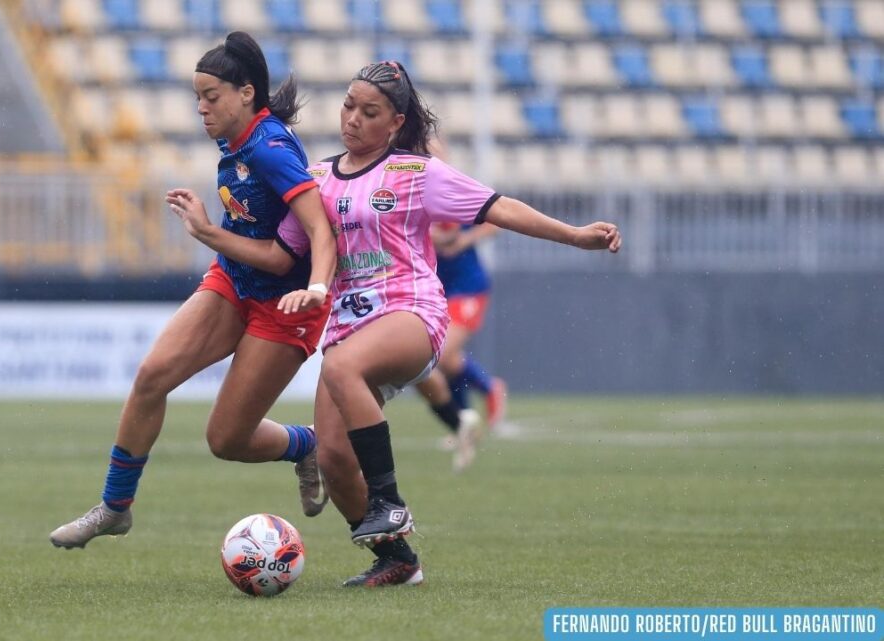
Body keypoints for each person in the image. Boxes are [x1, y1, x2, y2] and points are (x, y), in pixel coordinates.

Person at [202, 60, 621, 587]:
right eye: (348, 106)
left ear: (396, 123)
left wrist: (575, 235)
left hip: (411, 313)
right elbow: (280, 253)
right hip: (348, 327)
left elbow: (497, 207)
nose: (353, 118)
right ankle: (397, 559)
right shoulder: (318, 179)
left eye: (369, 111)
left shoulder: (416, 173)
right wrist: (212, 236)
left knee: (341, 366)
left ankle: (388, 501)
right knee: (332, 456)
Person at [49, 31, 337, 549]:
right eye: (197, 97)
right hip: (234, 280)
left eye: (211, 96)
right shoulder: (236, 140)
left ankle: (306, 445)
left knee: (226, 439)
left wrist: (314, 283)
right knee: (151, 377)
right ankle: (114, 508)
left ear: (246, 93)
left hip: (285, 304)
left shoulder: (270, 149)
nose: (201, 108)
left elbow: (313, 232)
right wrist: (217, 239)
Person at [415, 219, 510, 473]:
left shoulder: (454, 202)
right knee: (443, 359)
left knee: (442, 354)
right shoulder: (416, 203)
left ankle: (485, 391)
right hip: (437, 288)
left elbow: (495, 225)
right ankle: (465, 420)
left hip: (468, 287)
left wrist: (462, 241)